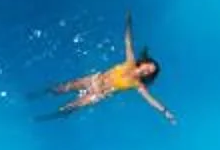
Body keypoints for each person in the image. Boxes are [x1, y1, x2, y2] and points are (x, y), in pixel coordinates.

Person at [44, 14, 175, 122]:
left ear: (148, 75)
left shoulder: (138, 84)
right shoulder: (130, 61)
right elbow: (128, 42)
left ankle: (45, 118)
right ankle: (41, 94)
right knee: (60, 89)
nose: (148, 70)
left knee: (69, 108)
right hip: (94, 80)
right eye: (149, 66)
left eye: (150, 71)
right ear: (145, 63)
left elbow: (151, 100)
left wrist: (165, 112)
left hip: (98, 94)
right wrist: (128, 23)